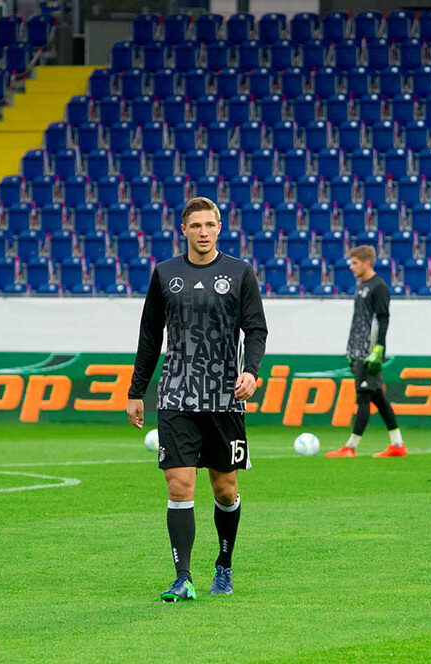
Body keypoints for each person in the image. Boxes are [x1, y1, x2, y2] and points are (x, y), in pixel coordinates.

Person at [126, 197, 268, 602]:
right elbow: (150, 336)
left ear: (219, 227)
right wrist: (137, 390)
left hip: (225, 396)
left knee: (225, 489)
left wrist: (251, 372)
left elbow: (256, 329)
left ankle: (223, 566)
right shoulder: (165, 273)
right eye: (196, 226)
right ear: (183, 229)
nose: (203, 232)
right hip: (176, 393)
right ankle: (182, 577)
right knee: (179, 484)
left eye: (210, 224)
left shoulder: (239, 272)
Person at [326, 245, 407, 459]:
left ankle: (350, 447)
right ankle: (397, 445)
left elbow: (383, 318)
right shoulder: (362, 284)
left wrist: (378, 349)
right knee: (378, 398)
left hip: (368, 352)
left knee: (363, 397)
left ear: (366, 262)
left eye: (354, 263)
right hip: (357, 351)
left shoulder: (378, 287)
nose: (351, 267)